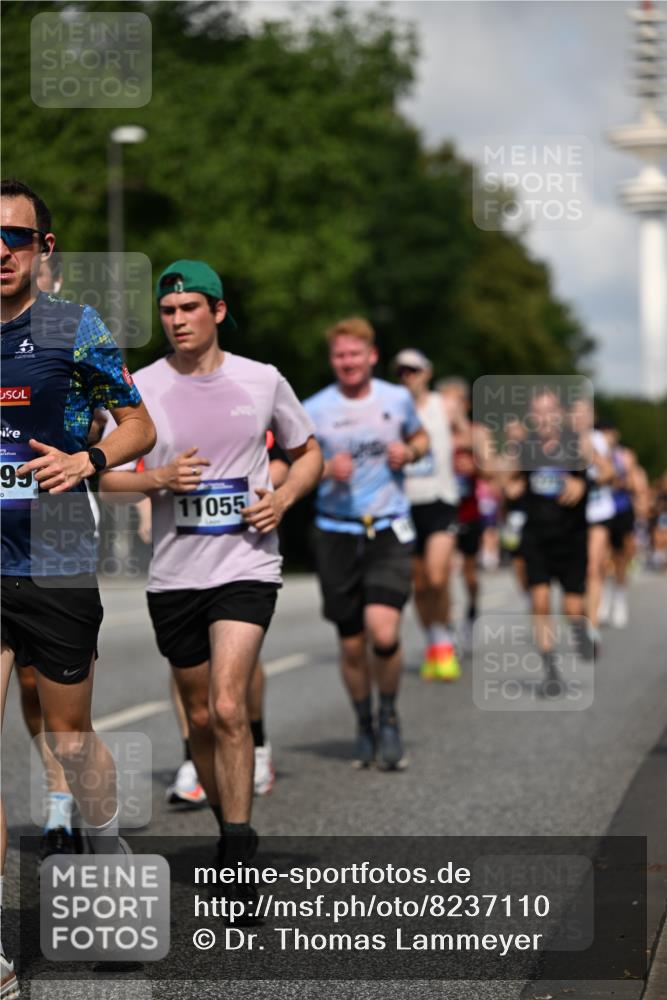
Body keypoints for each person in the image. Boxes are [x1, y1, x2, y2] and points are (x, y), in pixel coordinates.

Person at [99, 259, 322, 909]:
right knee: (197, 713)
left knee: (227, 705)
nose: (177, 321)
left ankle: (237, 843)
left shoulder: (261, 380)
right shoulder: (139, 387)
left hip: (246, 563)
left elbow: (309, 452)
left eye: (189, 309)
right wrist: (156, 481)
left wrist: (281, 498)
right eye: (167, 312)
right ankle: (225, 810)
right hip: (174, 572)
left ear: (217, 312)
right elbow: (106, 479)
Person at [0, 179, 155, 997]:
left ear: (43, 249)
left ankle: (104, 855)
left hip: (55, 558)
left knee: (71, 740)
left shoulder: (74, 327)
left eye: (15, 237)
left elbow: (138, 424)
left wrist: (89, 460)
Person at [304, 318, 429, 769]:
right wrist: (321, 469)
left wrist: (409, 453)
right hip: (336, 530)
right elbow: (294, 465)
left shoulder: (396, 399)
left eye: (355, 354)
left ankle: (390, 715)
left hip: (389, 528)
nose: (348, 362)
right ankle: (363, 722)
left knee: (384, 631)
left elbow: (420, 437)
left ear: (372, 356)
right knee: (352, 643)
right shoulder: (313, 408)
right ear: (332, 359)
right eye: (339, 355)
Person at [506, 389, 592, 693]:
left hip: (570, 538)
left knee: (572, 607)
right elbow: (508, 484)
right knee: (540, 602)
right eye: (538, 412)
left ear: (560, 414)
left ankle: (581, 632)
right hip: (536, 537)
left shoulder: (575, 442)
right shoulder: (526, 447)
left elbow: (596, 475)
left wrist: (579, 483)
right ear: (532, 418)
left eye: (550, 411)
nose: (544, 418)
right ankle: (551, 672)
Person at [393, 349, 460, 682]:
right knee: (419, 583)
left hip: (441, 499)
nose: (408, 376)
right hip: (405, 503)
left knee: (437, 575)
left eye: (414, 370)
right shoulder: (391, 407)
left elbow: (472, 434)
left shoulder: (444, 404)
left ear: (427, 372)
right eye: (402, 371)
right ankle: (435, 642)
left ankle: (445, 637)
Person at [438, 377, 495, 654]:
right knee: (444, 571)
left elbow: (492, 470)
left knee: (469, 574)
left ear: (465, 405)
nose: (449, 408)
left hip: (470, 511)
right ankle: (447, 626)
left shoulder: (477, 432)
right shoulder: (433, 432)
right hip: (442, 511)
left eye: (455, 402)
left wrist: (473, 462)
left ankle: (472, 611)